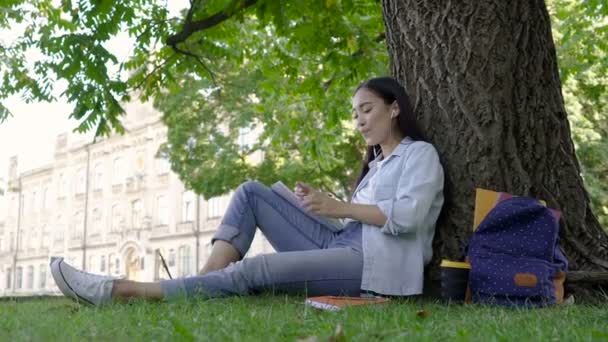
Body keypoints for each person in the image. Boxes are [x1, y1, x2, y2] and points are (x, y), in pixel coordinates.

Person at [50, 76, 445, 305]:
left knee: (256, 269)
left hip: (373, 266)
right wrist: (317, 205)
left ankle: (124, 291)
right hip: (344, 243)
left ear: (394, 109)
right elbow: (357, 219)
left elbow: (407, 218)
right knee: (252, 192)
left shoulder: (420, 155)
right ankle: (196, 286)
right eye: (355, 113)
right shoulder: (375, 166)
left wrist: (338, 205)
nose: (359, 120)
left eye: (368, 109)